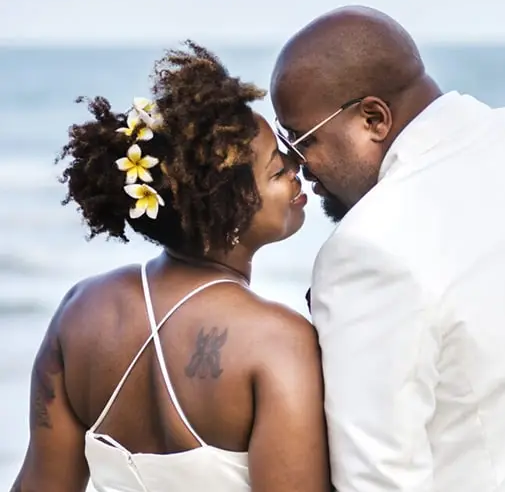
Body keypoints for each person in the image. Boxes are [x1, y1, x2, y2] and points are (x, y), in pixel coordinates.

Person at [271, 5, 505, 492]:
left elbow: (377, 478)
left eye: (301, 141)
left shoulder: (368, 248)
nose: (298, 167)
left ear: (373, 119)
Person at [10, 41, 330, 492]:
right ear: (231, 208)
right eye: (278, 171)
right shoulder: (277, 341)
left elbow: (42, 485)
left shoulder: (81, 309)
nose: (298, 167)